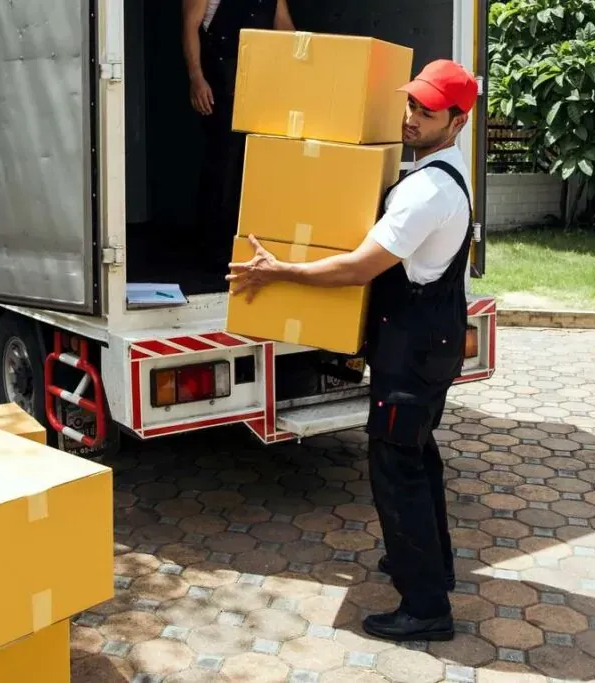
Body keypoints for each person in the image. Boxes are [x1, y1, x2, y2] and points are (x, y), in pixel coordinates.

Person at [225, 59, 480, 643]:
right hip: (431, 344)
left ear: (457, 121)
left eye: (426, 111)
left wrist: (281, 271)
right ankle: (431, 564)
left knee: (396, 471)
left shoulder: (426, 191)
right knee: (419, 457)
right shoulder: (446, 172)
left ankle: (426, 607)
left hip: (412, 353)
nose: (411, 118)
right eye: (410, 104)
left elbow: (359, 268)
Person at [182, 0, 295, 271]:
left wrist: (306, 60)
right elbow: (189, 27)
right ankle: (212, 248)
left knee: (253, 165)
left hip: (260, 83)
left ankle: (245, 243)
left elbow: (284, 28)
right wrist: (197, 79)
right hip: (221, 83)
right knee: (222, 164)